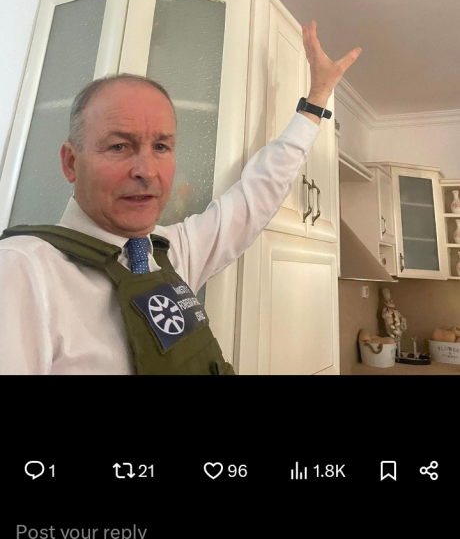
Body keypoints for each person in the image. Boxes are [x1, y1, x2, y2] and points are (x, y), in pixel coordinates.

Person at [0, 21, 361, 375]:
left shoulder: (171, 252)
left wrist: (317, 100)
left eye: (161, 147)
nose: (146, 171)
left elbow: (259, 191)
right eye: (119, 146)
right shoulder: (21, 271)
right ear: (70, 163)